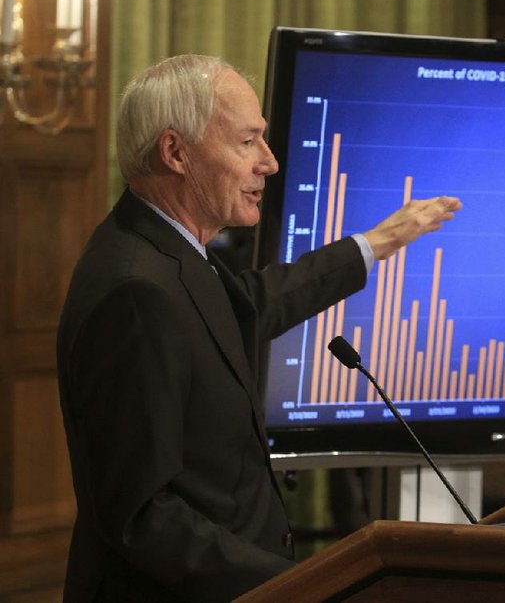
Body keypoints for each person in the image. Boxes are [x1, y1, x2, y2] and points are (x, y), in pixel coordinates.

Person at [57, 54, 461, 602]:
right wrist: (299, 587)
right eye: (247, 142)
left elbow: (245, 305)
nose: (269, 163)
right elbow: (142, 515)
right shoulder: (136, 289)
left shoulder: (168, 246)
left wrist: (377, 243)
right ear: (175, 152)